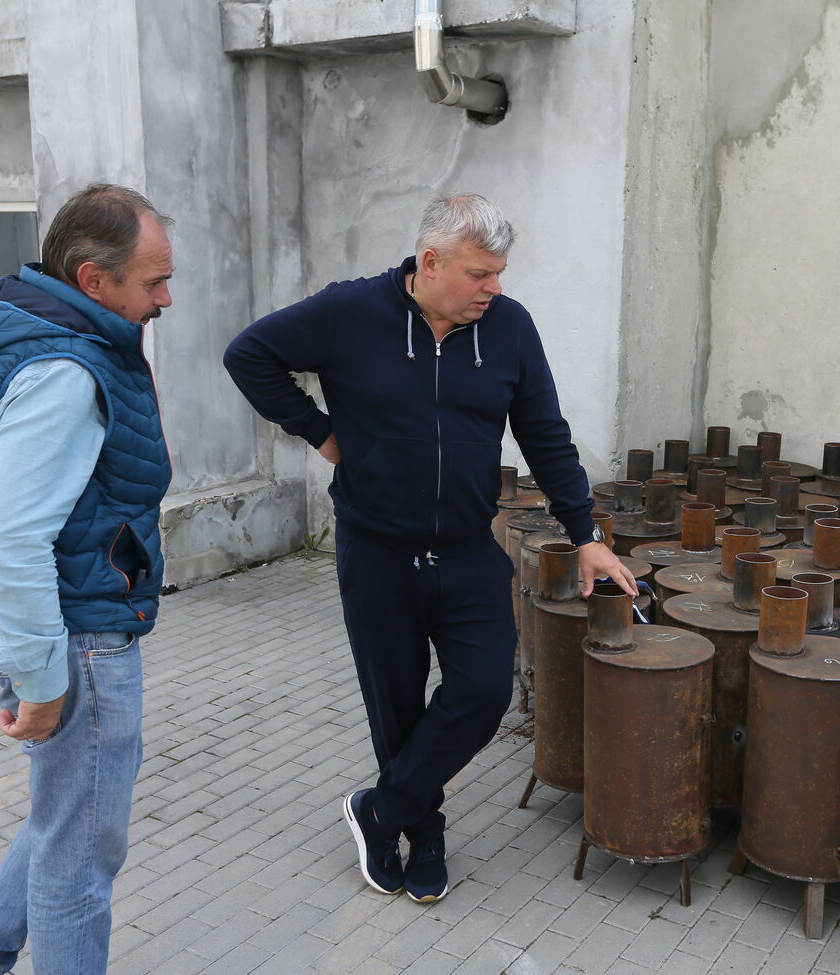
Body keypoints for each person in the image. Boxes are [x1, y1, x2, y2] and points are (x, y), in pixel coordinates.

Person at [224, 192, 634, 904]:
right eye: (481, 273)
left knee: (482, 691)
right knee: (396, 705)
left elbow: (545, 432)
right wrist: (320, 433)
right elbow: (249, 354)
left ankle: (382, 809)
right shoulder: (350, 313)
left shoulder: (508, 329)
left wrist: (586, 536)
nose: (495, 287)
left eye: (501, 271)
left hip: (469, 548)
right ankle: (425, 829)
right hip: (377, 551)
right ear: (431, 261)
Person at [0, 183, 174, 975]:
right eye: (152, 282)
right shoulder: (67, 363)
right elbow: (15, 536)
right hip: (75, 634)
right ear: (93, 280)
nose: (166, 298)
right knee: (81, 855)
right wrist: (41, 678)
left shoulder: (8, 329)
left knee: (68, 812)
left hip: (32, 623)